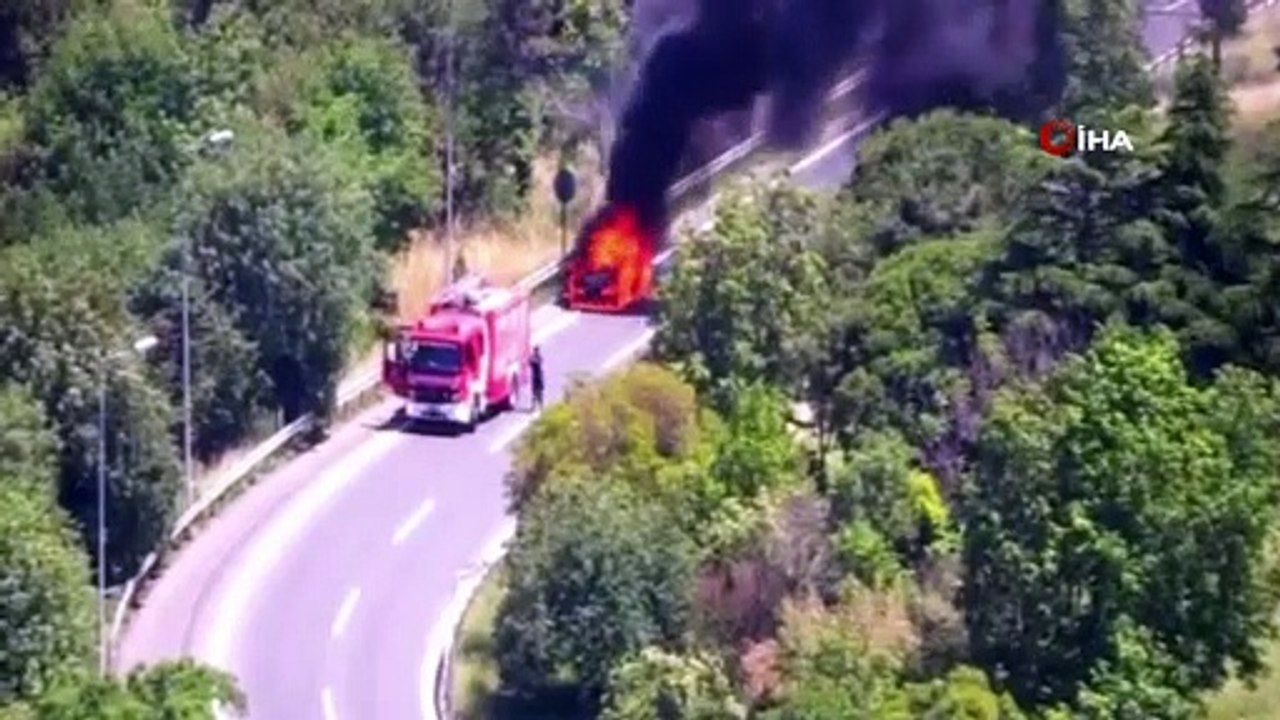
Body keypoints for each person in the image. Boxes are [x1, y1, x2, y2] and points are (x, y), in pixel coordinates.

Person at [529, 346, 544, 411]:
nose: (536, 352)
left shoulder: (539, 358)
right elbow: (530, 362)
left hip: (539, 376)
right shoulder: (533, 358)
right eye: (535, 351)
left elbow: (538, 362)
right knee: (534, 393)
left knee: (539, 393)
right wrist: (532, 359)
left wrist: (533, 359)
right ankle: (533, 407)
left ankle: (541, 406)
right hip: (534, 377)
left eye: (536, 351)